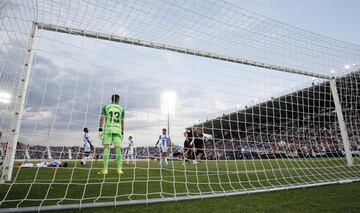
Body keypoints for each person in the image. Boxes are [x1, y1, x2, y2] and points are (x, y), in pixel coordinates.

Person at [98, 94, 125, 175]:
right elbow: (122, 121)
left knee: (106, 148)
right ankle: (119, 170)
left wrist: (100, 129)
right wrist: (122, 131)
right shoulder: (121, 108)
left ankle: (105, 169)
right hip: (117, 130)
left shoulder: (106, 107)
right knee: (118, 149)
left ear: (111, 99)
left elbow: (102, 118)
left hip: (108, 129)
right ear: (118, 100)